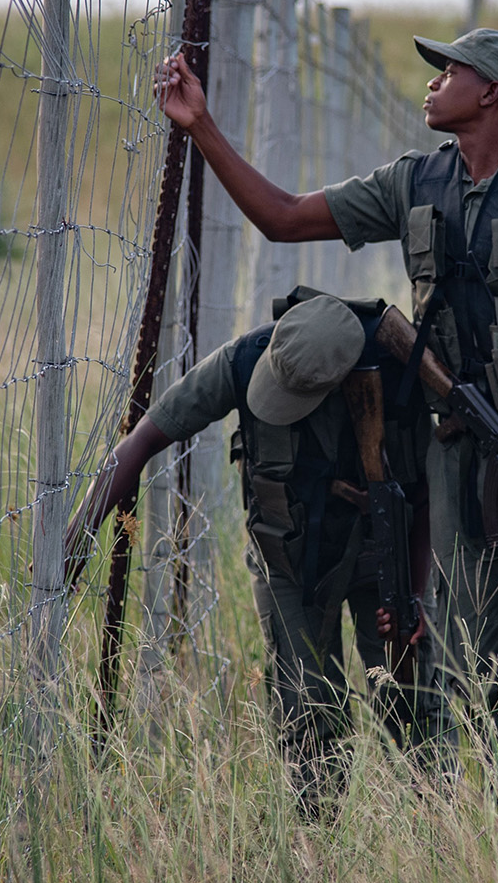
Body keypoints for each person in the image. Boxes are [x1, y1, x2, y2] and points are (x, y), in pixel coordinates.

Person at [155, 28, 498, 788]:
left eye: (452, 70)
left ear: (494, 92)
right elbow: (282, 215)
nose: (433, 81)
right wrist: (201, 126)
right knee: (479, 671)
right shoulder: (414, 183)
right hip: (456, 458)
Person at [65, 292, 433, 816]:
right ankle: (317, 846)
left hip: (383, 557)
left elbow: (422, 495)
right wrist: (80, 534)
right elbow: (142, 441)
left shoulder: (398, 373)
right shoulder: (245, 359)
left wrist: (412, 596)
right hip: (287, 561)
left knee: (409, 701)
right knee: (306, 709)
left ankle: (431, 836)